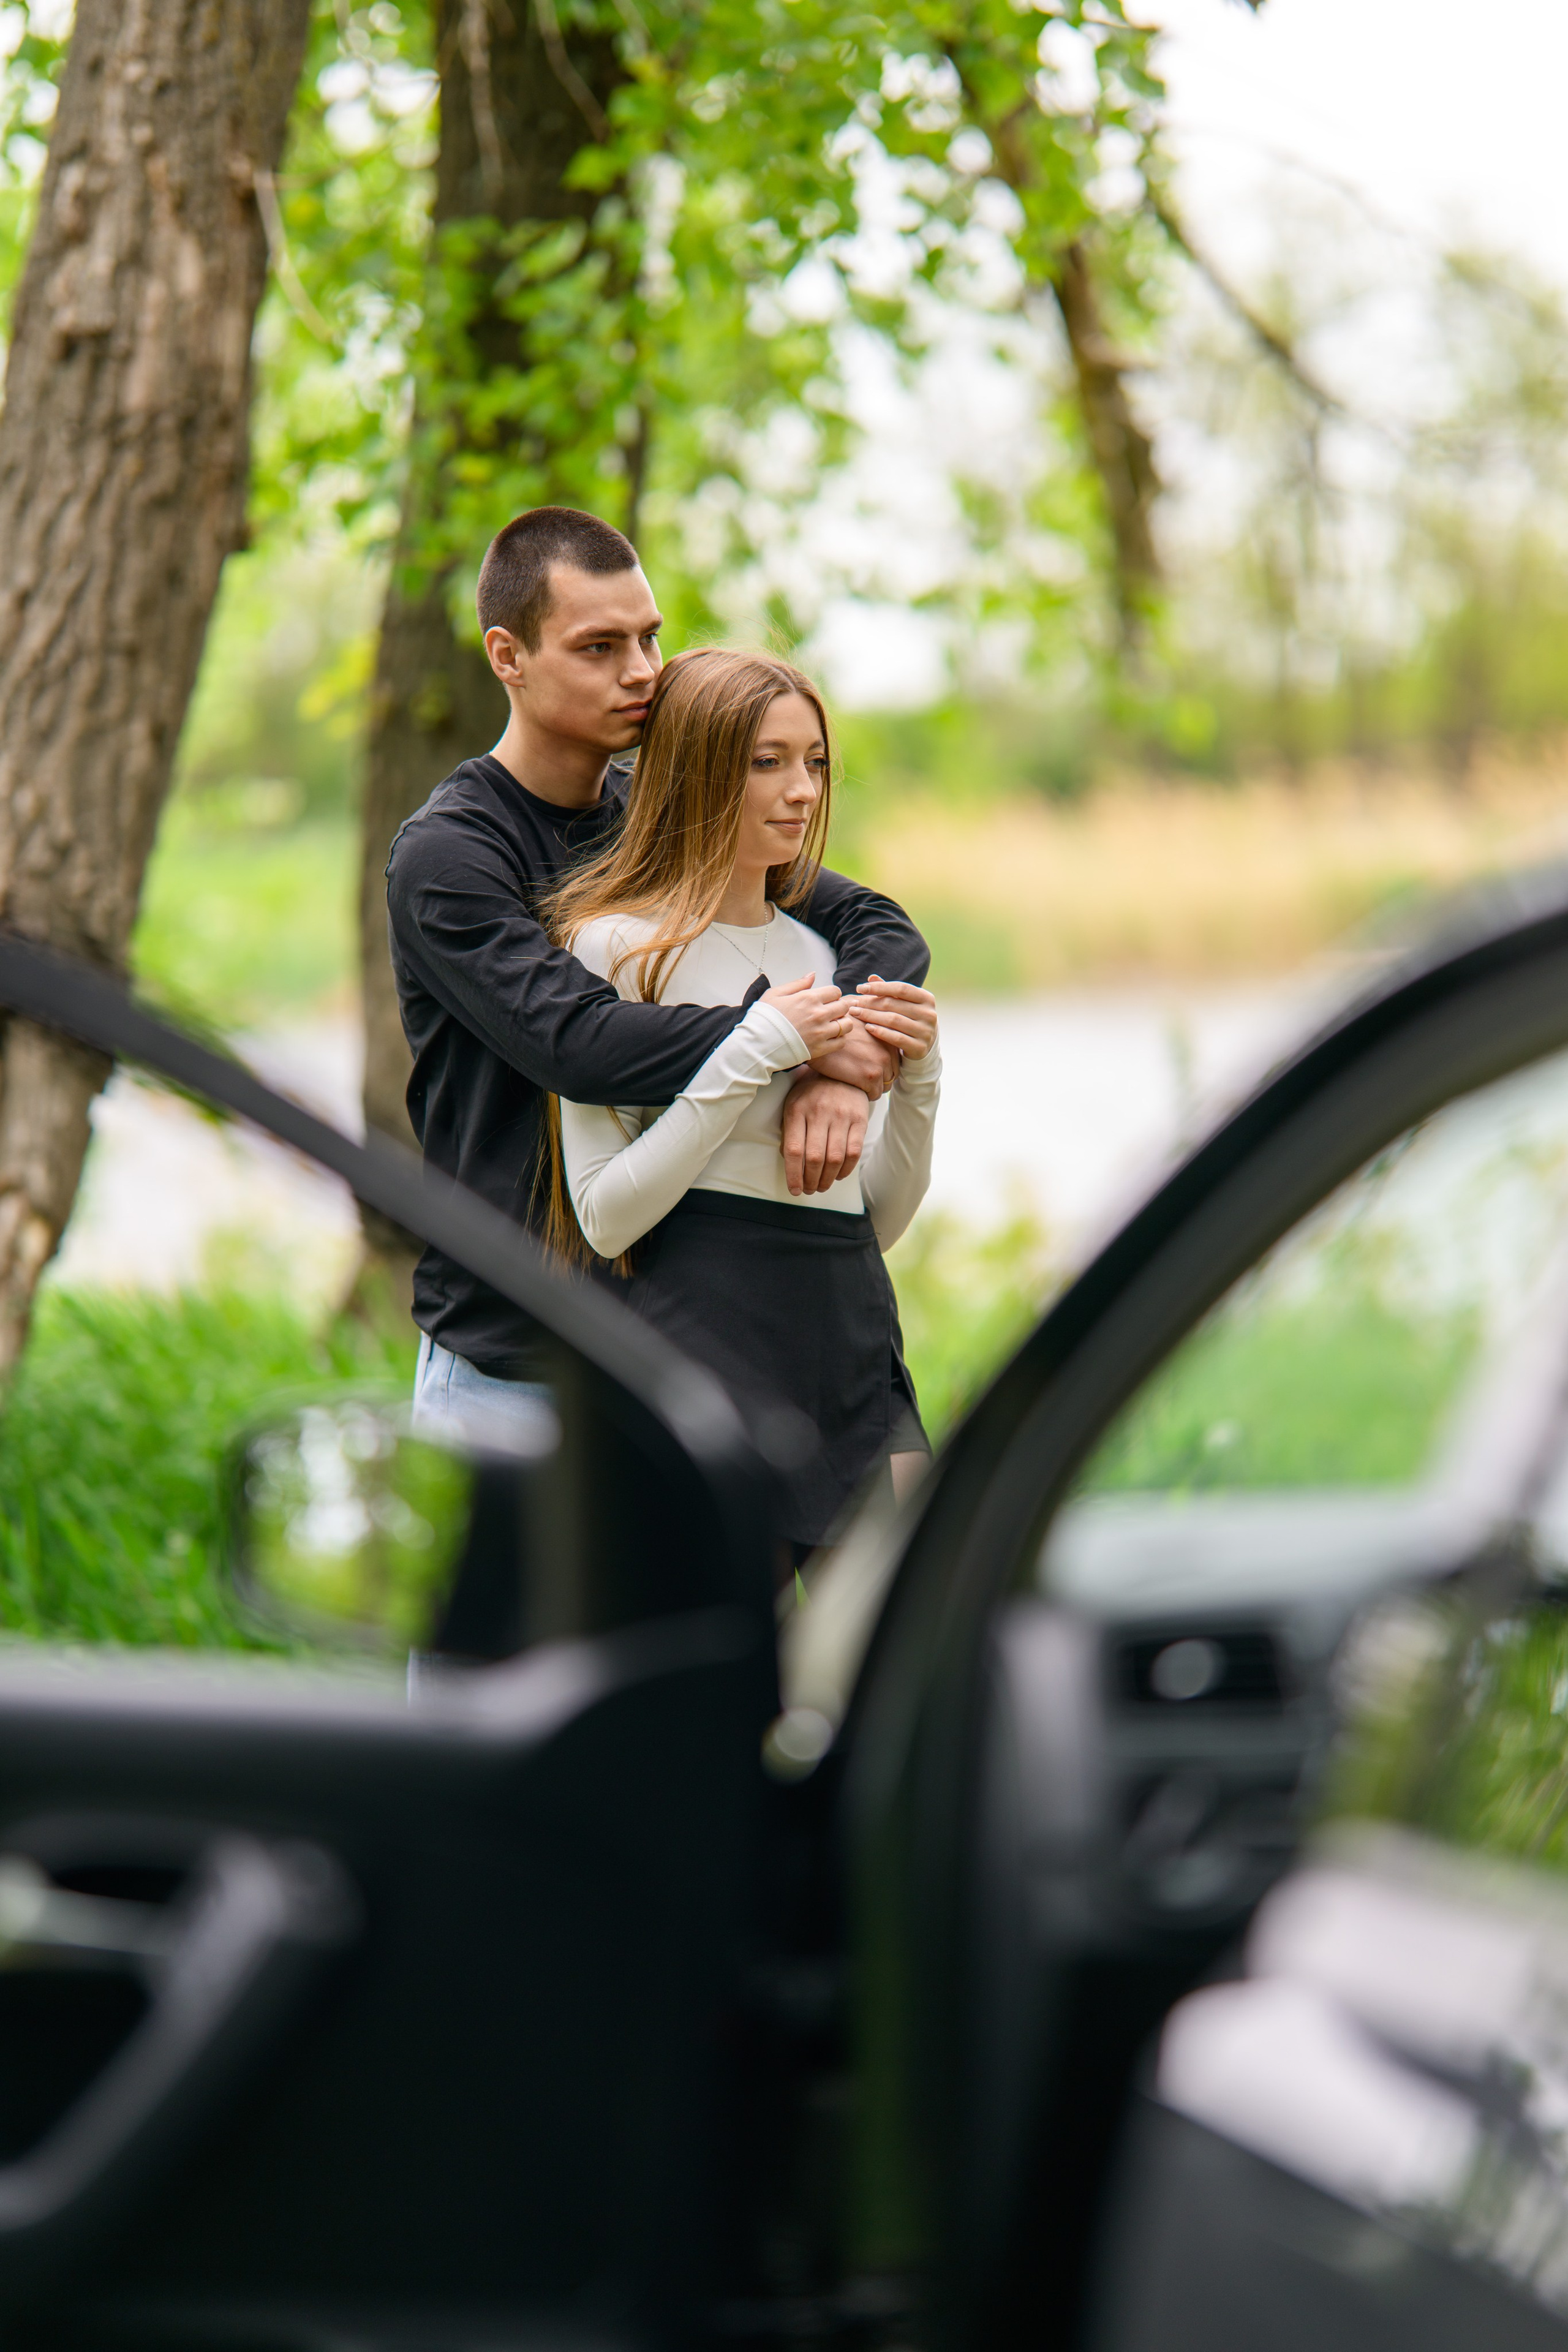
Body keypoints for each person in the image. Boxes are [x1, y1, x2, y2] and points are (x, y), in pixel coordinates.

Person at [384, 505, 930, 1435]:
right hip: (511, 1368)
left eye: (649, 637)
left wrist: (843, 1061)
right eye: (599, 647)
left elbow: (874, 921)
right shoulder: (451, 855)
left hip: (673, 1353)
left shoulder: (665, 818)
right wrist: (789, 1039)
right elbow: (579, 1042)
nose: (641, 672)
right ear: (507, 656)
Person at [542, 647, 940, 1555]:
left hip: (853, 1347)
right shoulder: (613, 948)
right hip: (700, 1361)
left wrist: (919, 1081)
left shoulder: (828, 957)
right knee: (727, 1686)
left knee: (884, 1667)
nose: (801, 790)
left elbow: (872, 1220)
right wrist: (753, 1048)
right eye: (768, 761)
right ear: (696, 767)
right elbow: (604, 1217)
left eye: (814, 762)